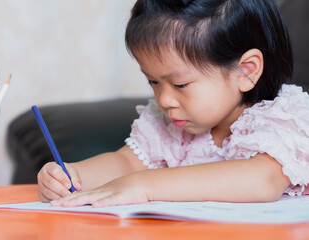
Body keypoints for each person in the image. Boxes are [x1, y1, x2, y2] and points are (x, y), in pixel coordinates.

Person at [38, 0, 309, 207]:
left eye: (180, 84)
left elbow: (262, 180)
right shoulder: (170, 124)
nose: (164, 100)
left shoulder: (284, 118)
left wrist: (145, 185)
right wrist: (72, 175)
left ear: (246, 71)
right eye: (153, 82)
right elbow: (127, 163)